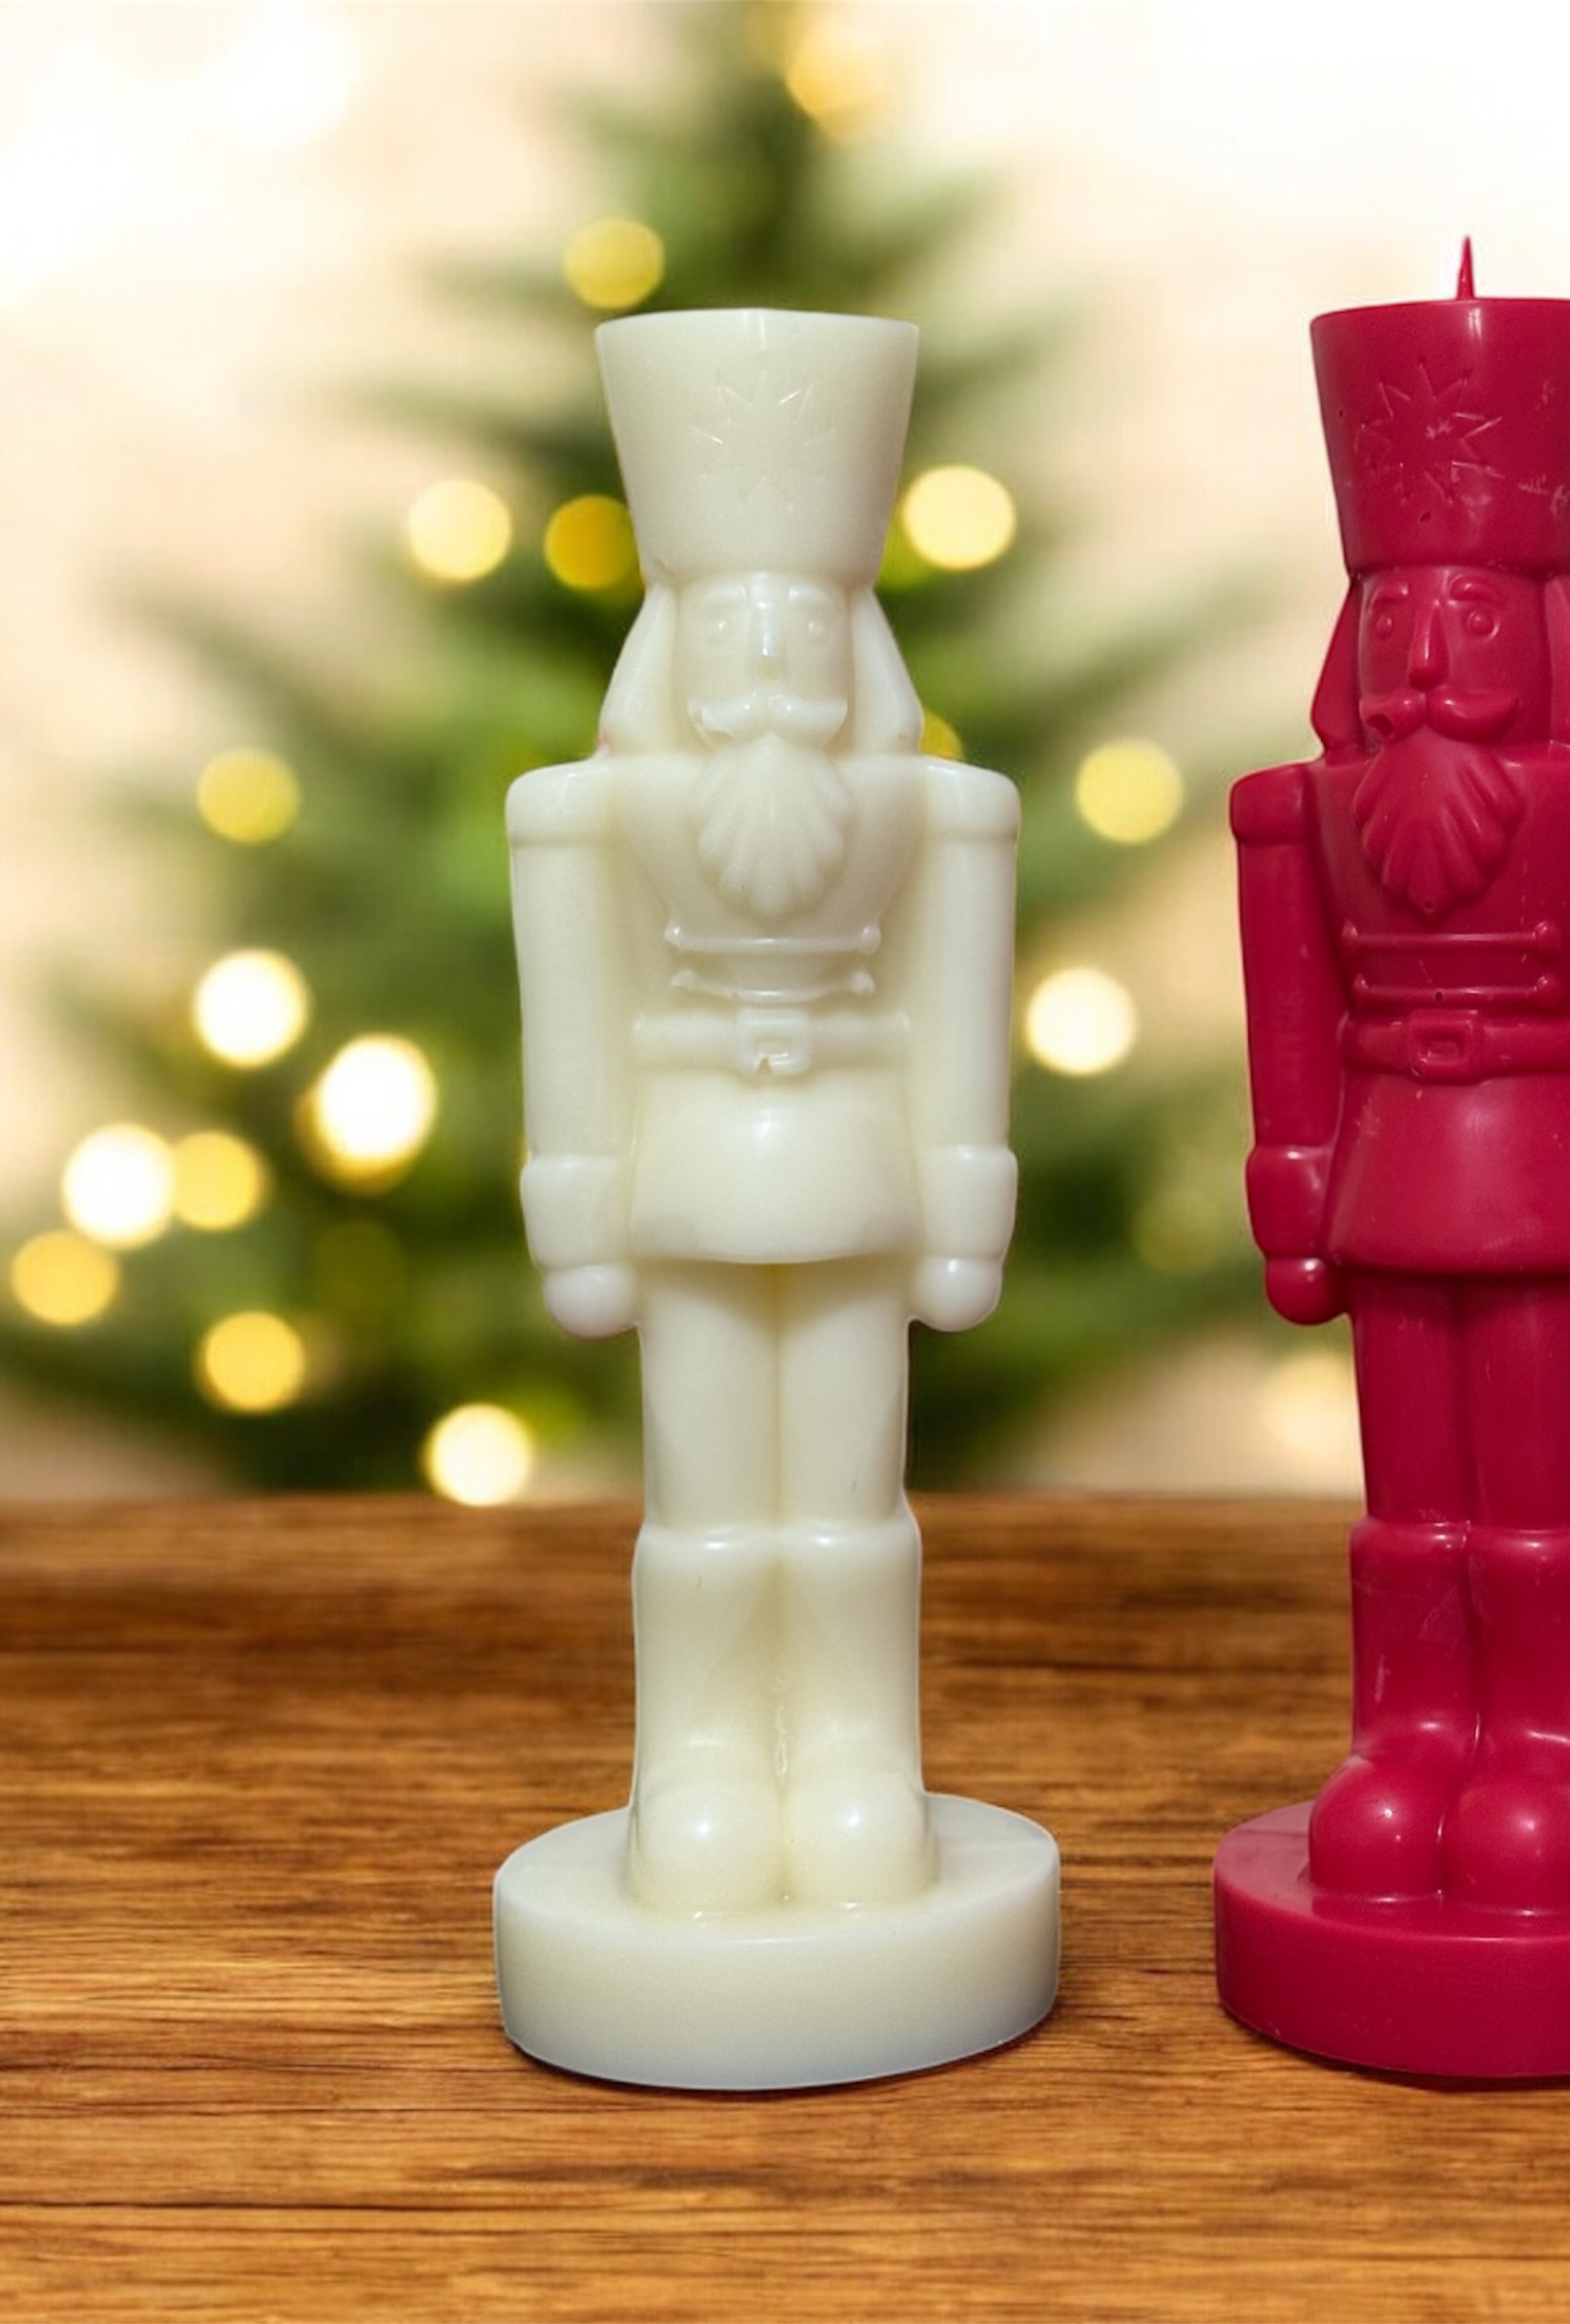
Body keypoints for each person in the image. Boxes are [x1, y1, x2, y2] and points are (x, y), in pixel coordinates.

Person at [508, 310, 1017, 1917]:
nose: (775, 656)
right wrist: (577, 1211)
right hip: (685, 1177)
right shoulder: (588, 818)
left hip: (859, 1175)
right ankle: (706, 1766)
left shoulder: (938, 816)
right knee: (710, 1506)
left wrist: (966, 1202)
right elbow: (574, 1025)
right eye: (732, 623)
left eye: (808, 620)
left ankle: (860, 1762)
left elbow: (958, 1027)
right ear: (673, 639)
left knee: (853, 1502)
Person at [1230, 292, 1570, 1911]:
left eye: (1471, 622)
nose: (1427, 665)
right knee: (1407, 1504)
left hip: (1542, 1175)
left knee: (1529, 1499)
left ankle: (1557, 1755)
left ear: (1557, 632)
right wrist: (1292, 1188)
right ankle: (1413, 1737)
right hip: (1388, 1171)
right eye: (1396, 624)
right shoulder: (1295, 811)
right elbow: (1290, 1014)